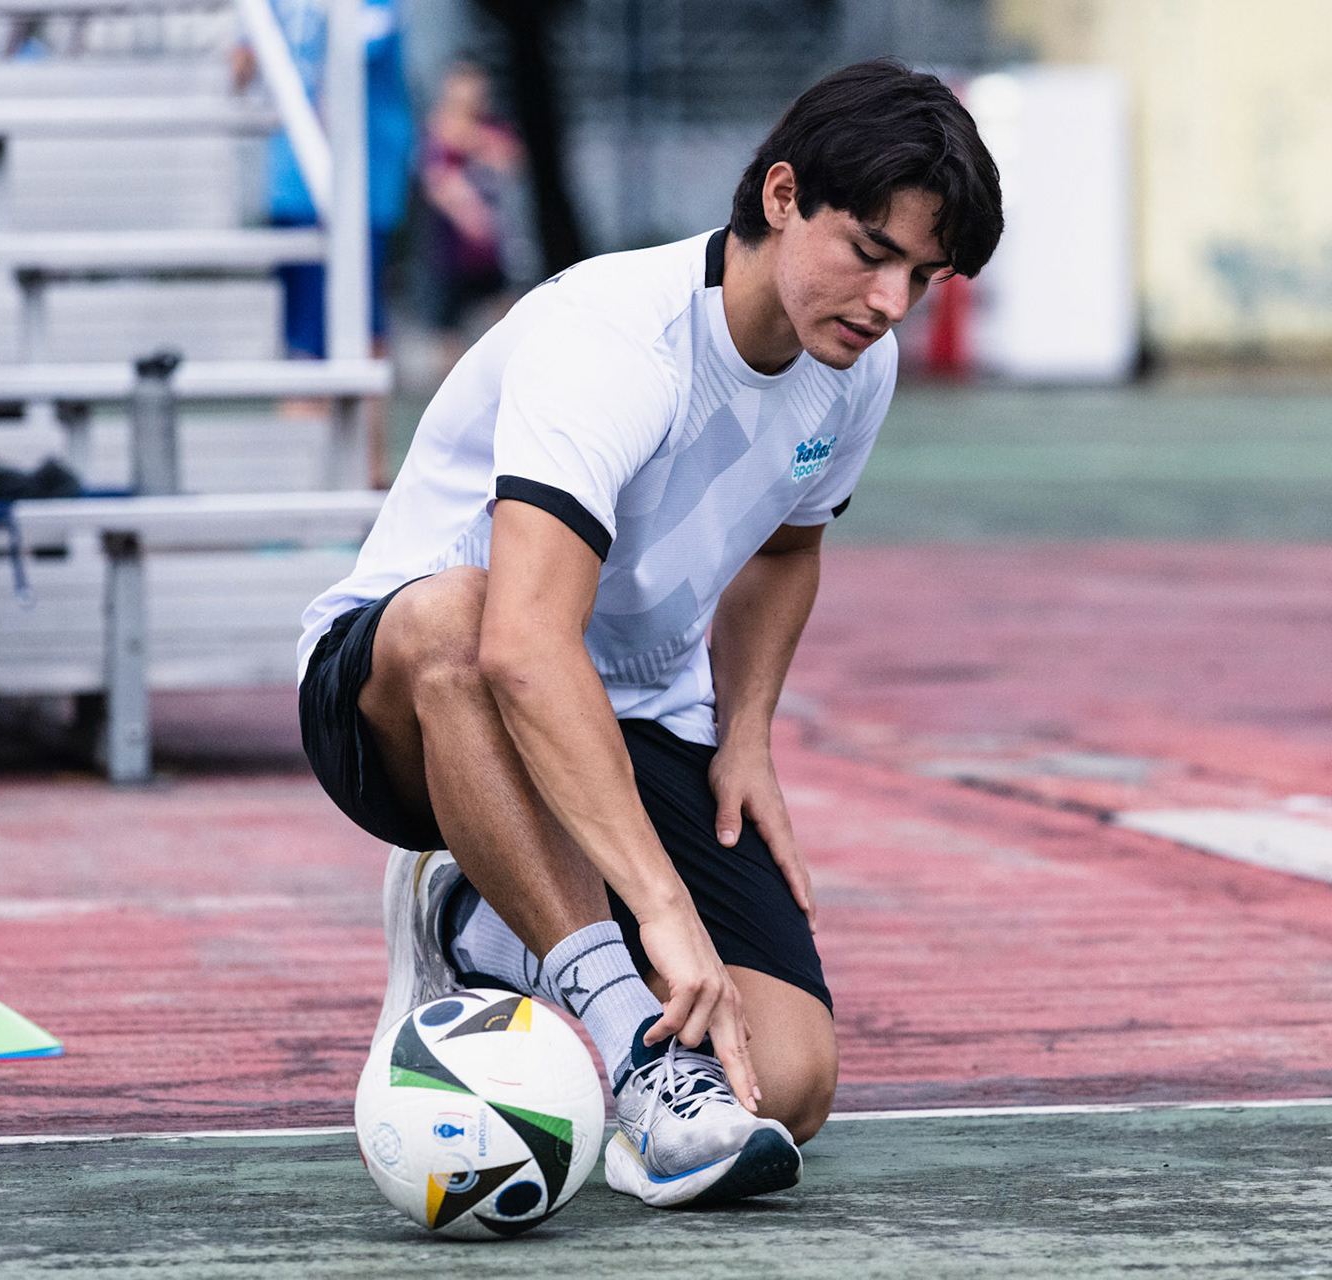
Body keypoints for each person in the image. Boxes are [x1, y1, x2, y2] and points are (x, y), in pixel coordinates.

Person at [297, 59, 1002, 1208]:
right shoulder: (612, 335)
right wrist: (660, 914)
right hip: (407, 702)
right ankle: (626, 1044)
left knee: (791, 1076)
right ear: (782, 197)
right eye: (872, 252)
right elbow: (523, 644)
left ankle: (484, 922)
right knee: (462, 616)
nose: (890, 304)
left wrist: (750, 733)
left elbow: (788, 543)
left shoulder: (849, 368)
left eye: (922, 275)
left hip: (631, 711)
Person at [234, 0, 412, 360]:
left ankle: (352, 415)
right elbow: (241, 67)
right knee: (303, 337)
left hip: (360, 186)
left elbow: (352, 58)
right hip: (292, 180)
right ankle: (311, 411)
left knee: (358, 335)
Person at [411, 61, 522, 377]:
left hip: (492, 254)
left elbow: (510, 160)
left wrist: (467, 136)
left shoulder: (493, 128)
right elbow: (437, 182)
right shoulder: (433, 133)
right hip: (449, 254)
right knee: (448, 342)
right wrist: (468, 212)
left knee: (509, 328)